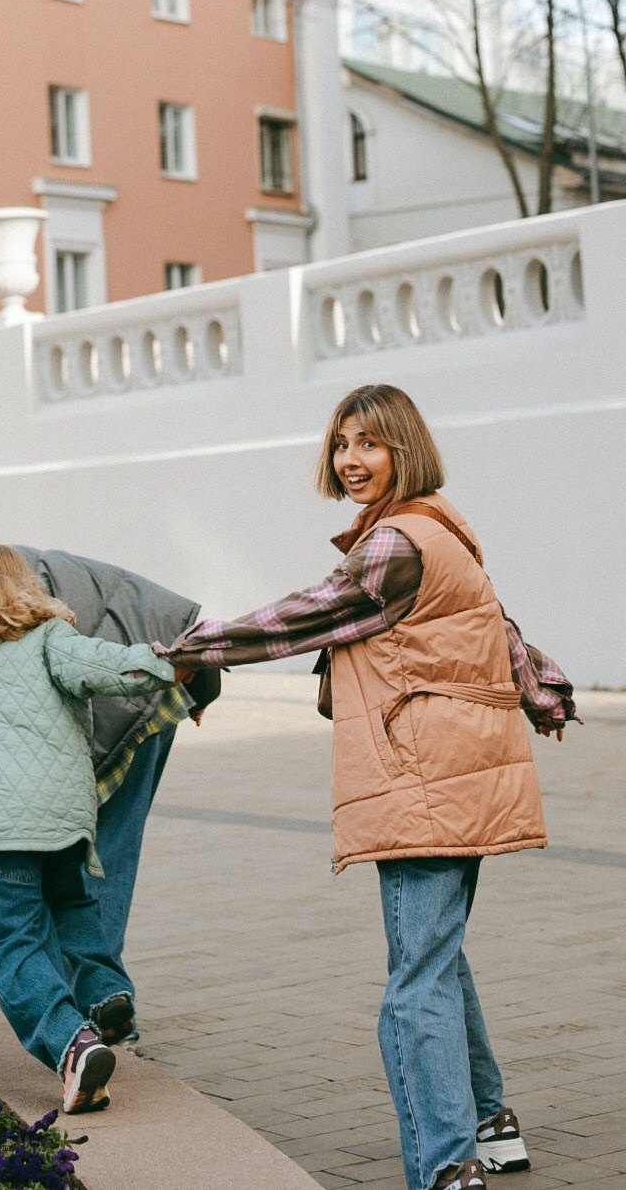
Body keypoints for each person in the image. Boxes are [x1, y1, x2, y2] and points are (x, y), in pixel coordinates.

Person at [161, 384, 577, 1190]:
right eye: (342, 443)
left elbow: (304, 616)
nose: (351, 460)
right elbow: (496, 625)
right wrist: (543, 693)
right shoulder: (440, 527)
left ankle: (445, 1165)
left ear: (404, 450)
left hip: (421, 774)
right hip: (460, 768)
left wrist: (191, 647)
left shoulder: (395, 542)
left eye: (370, 444)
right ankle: (490, 1120)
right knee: (437, 956)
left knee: (414, 985)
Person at [0, 505, 219, 1030]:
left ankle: (68, 1037)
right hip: (64, 811)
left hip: (5, 824)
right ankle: (106, 993)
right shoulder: (51, 634)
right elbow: (111, 665)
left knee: (11, 935)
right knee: (72, 903)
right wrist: (172, 665)